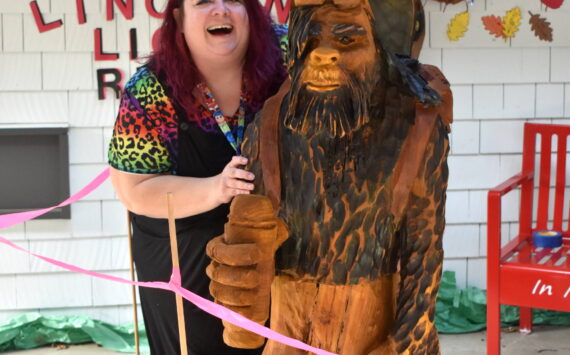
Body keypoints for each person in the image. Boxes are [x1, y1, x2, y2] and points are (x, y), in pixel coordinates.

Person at [107, 0, 287, 353]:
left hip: (279, 240)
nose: (220, 9)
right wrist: (216, 188)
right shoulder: (151, 89)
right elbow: (134, 190)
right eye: (203, 1)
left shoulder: (290, 54)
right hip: (183, 249)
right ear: (179, 18)